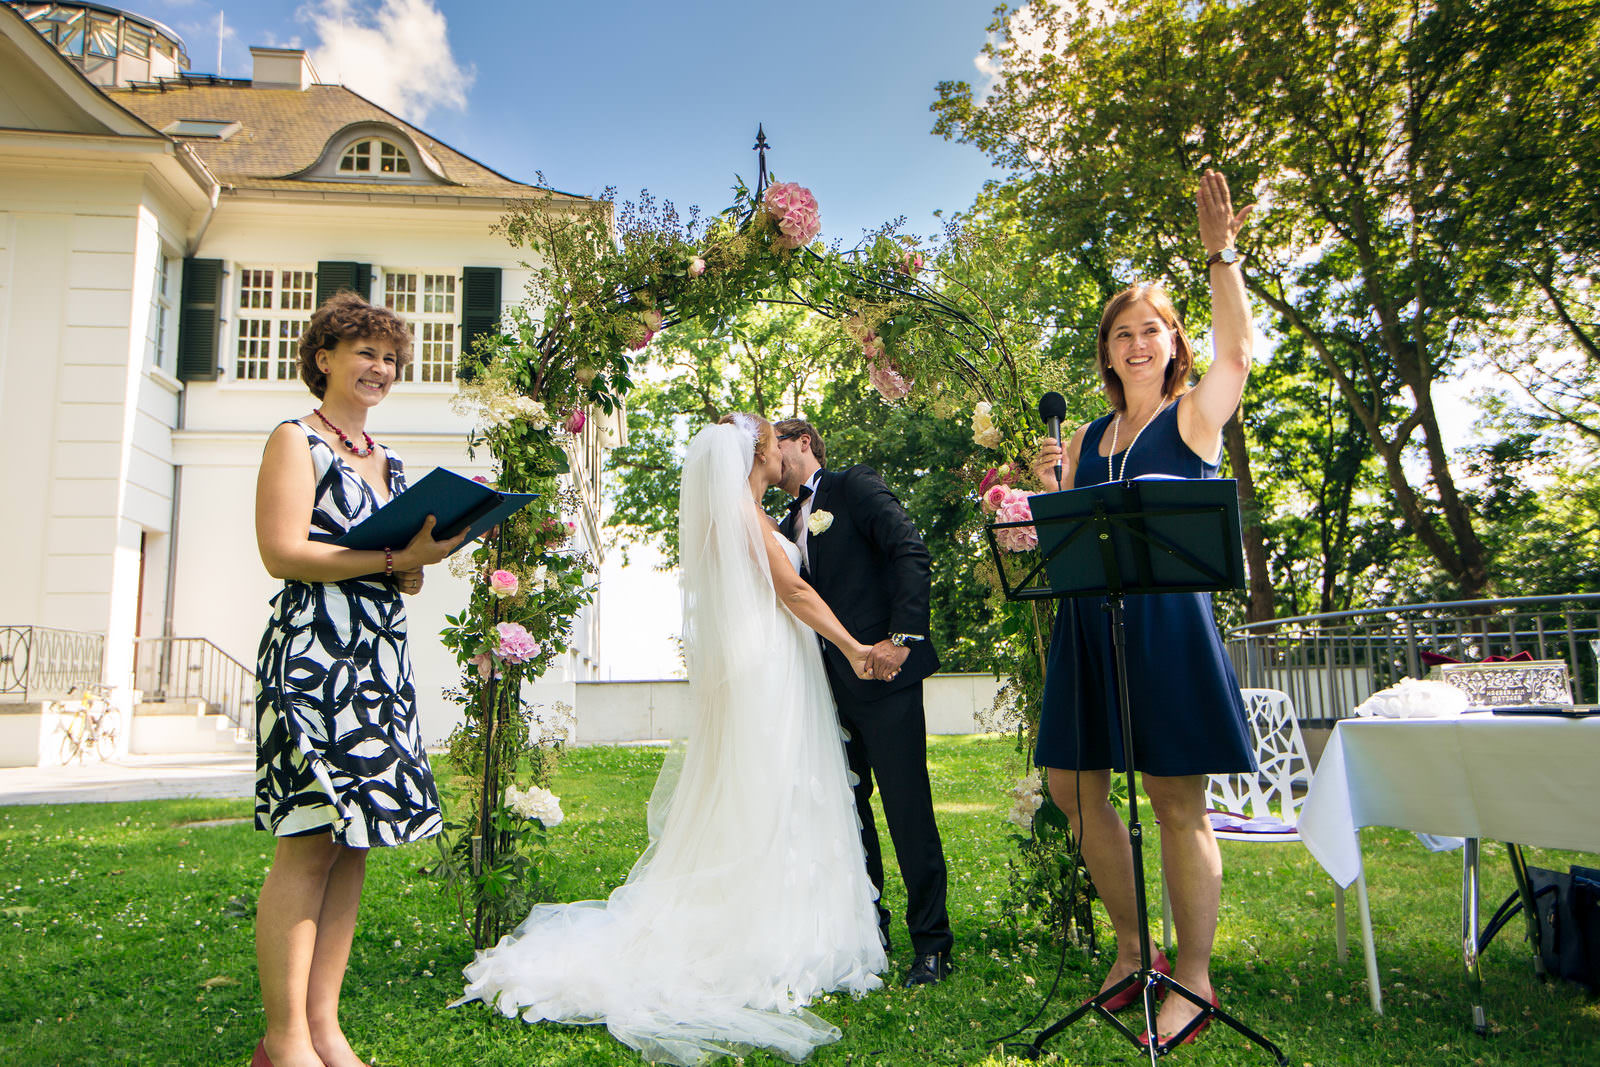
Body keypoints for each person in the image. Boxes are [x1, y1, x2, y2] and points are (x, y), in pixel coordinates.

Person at [458, 414, 886, 1066]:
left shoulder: (738, 513)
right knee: (772, 788)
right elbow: (793, 590)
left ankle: (787, 911)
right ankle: (769, 926)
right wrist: (854, 647)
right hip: (770, 668)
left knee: (765, 789)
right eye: (772, 444)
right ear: (758, 455)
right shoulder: (743, 514)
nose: (780, 452)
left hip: (765, 664)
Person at [1028, 169, 1255, 1051]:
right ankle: (1133, 949)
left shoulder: (1194, 417)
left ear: (1173, 343)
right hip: (1091, 627)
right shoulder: (1088, 436)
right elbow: (1070, 540)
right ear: (1105, 349)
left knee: (1173, 799)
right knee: (1072, 787)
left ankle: (1193, 978)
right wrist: (1045, 502)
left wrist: (1221, 254)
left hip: (1167, 628)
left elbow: (1238, 357)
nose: (1134, 342)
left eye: (1149, 329)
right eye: (1120, 332)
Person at [252, 291, 464, 1067]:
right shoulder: (295, 439)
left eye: (390, 357)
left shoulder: (392, 462)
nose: (380, 367)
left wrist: (417, 562)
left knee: (355, 844)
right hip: (313, 660)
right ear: (324, 358)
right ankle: (283, 1042)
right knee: (310, 841)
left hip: (376, 663)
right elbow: (283, 552)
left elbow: (397, 572)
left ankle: (325, 1029)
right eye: (365, 352)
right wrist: (393, 557)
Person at [774, 419, 956, 986]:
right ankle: (870, 928)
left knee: (907, 811)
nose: (766, 453)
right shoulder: (782, 524)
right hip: (826, 690)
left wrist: (903, 639)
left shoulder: (852, 486)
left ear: (804, 442)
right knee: (849, 814)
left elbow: (909, 550)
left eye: (774, 441)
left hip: (885, 675)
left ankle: (932, 943)